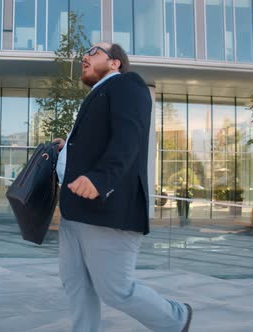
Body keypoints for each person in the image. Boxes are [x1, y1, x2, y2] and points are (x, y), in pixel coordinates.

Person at [53, 42, 193, 332]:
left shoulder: (128, 84)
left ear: (115, 63)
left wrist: (101, 179)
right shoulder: (98, 95)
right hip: (74, 208)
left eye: (94, 52)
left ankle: (176, 318)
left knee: (116, 289)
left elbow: (130, 138)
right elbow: (99, 141)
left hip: (107, 209)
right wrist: (66, 149)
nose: (84, 57)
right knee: (76, 283)